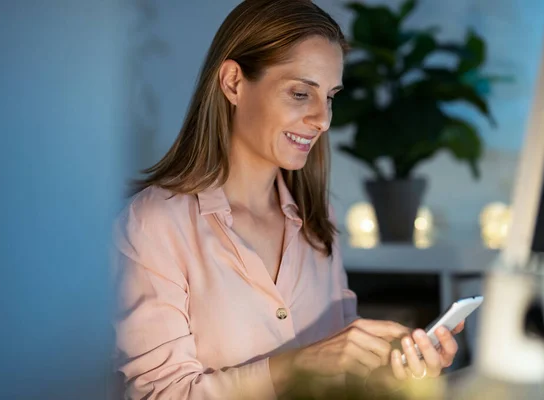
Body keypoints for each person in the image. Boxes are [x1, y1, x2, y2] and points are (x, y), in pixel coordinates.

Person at [112, 0, 464, 398]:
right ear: (233, 83)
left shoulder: (318, 221)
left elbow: (341, 382)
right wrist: (299, 365)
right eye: (301, 93)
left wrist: (401, 374)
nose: (323, 119)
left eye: (330, 96)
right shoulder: (154, 223)